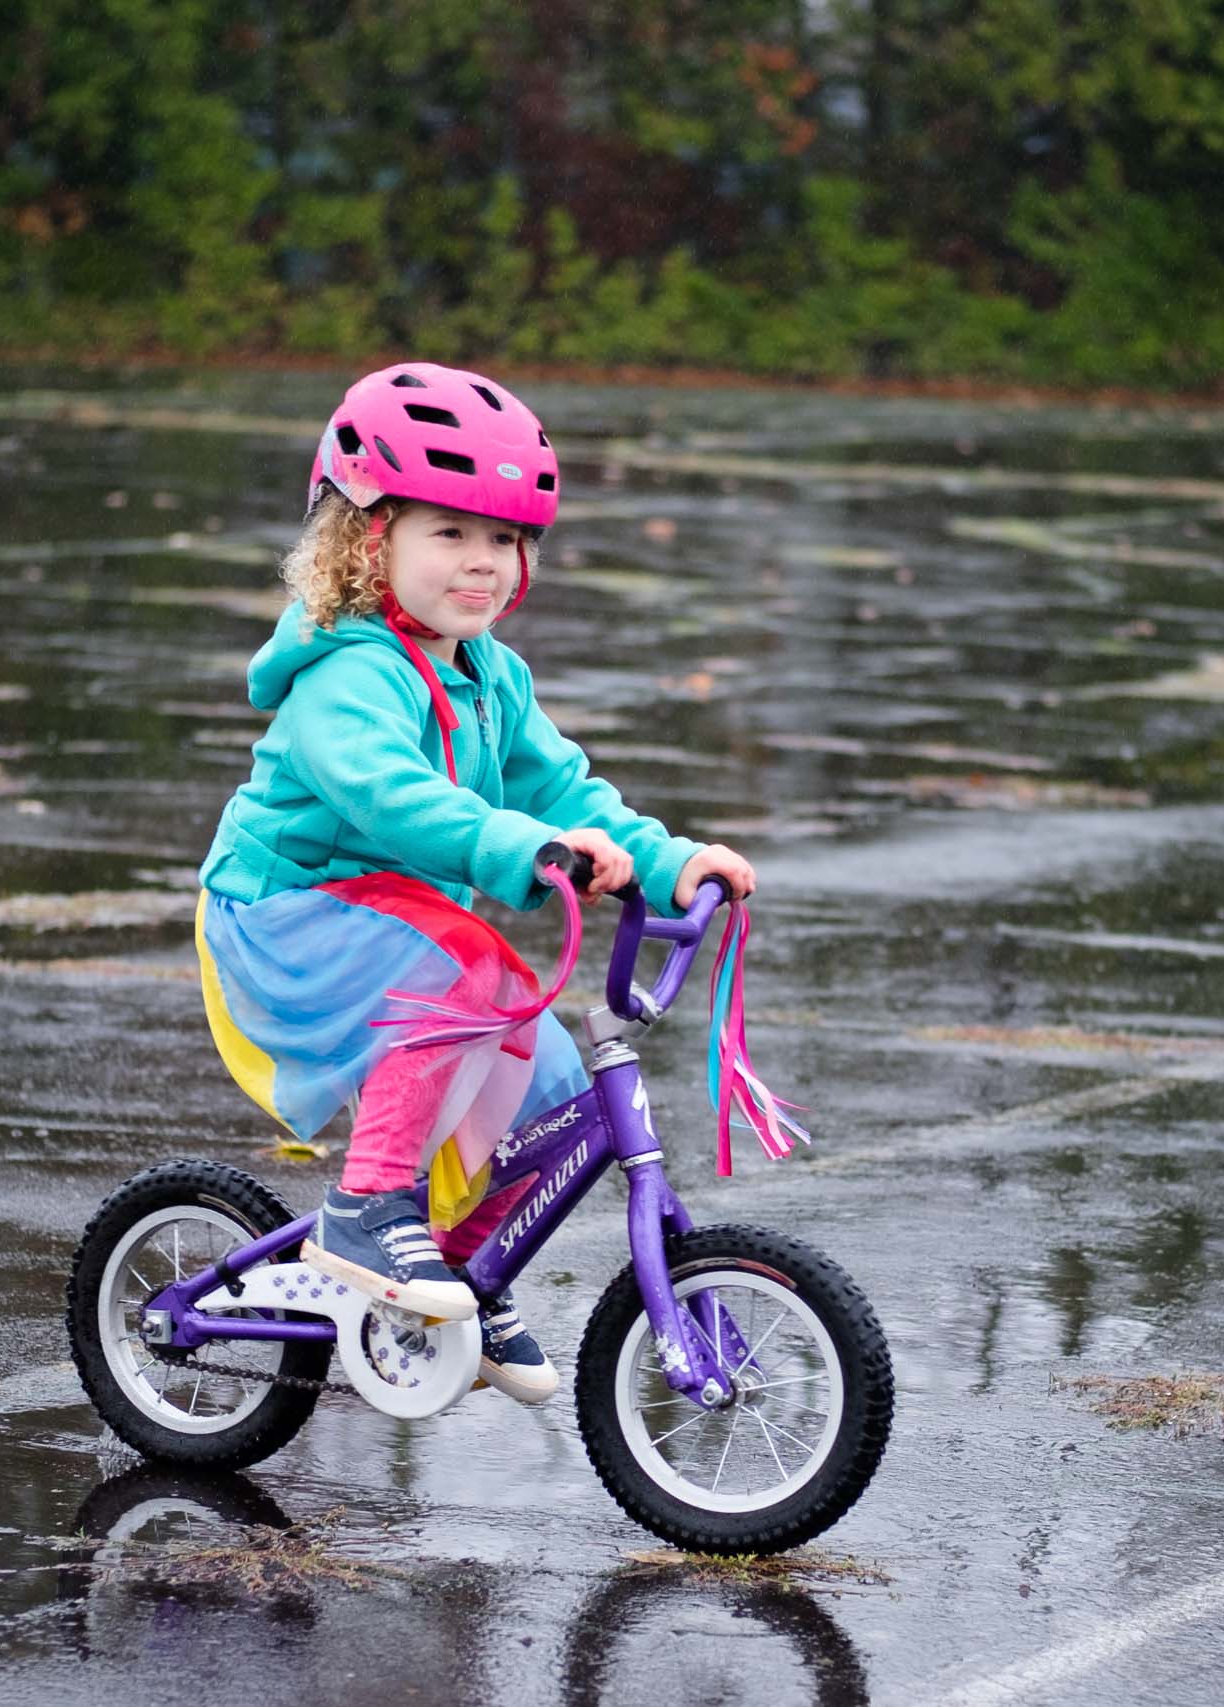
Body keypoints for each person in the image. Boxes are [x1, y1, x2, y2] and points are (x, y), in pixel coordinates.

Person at [193, 362, 756, 1406]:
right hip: (283, 912)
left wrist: (672, 861)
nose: (483, 563)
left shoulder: (492, 673)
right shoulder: (345, 676)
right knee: (468, 969)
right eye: (448, 534)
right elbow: (388, 797)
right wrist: (516, 847)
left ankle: (458, 1269)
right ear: (370, 541)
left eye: (503, 539)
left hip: (400, 923)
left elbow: (563, 784)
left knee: (552, 1095)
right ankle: (368, 1208)